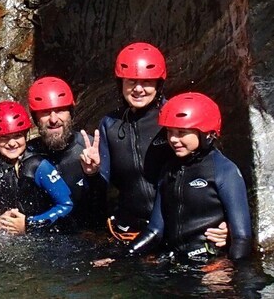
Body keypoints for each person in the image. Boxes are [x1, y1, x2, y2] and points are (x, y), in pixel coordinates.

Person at [80, 42, 228, 246]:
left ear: (159, 84)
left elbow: (214, 170)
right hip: (131, 232)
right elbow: (100, 191)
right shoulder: (110, 124)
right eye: (131, 81)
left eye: (147, 82)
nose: (138, 89)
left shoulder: (176, 117)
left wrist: (225, 223)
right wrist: (92, 172)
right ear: (120, 83)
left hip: (177, 229)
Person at [129, 93, 252, 261]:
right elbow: (155, 231)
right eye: (170, 131)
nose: (173, 139)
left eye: (182, 132)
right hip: (174, 261)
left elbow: (242, 239)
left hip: (210, 265)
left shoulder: (225, 171)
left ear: (206, 134)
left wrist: (229, 272)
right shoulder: (168, 169)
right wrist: (121, 257)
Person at [0, 101, 73, 233]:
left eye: (17, 136)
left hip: (39, 236)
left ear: (26, 135)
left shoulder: (38, 166)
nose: (12, 143)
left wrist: (29, 225)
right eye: (4, 138)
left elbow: (66, 205)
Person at [26, 76, 106, 230]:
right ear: (36, 118)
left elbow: (106, 206)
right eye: (45, 112)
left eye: (60, 110)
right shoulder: (26, 154)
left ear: (71, 113)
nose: (53, 119)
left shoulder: (90, 149)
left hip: (85, 238)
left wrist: (93, 175)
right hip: (41, 239)